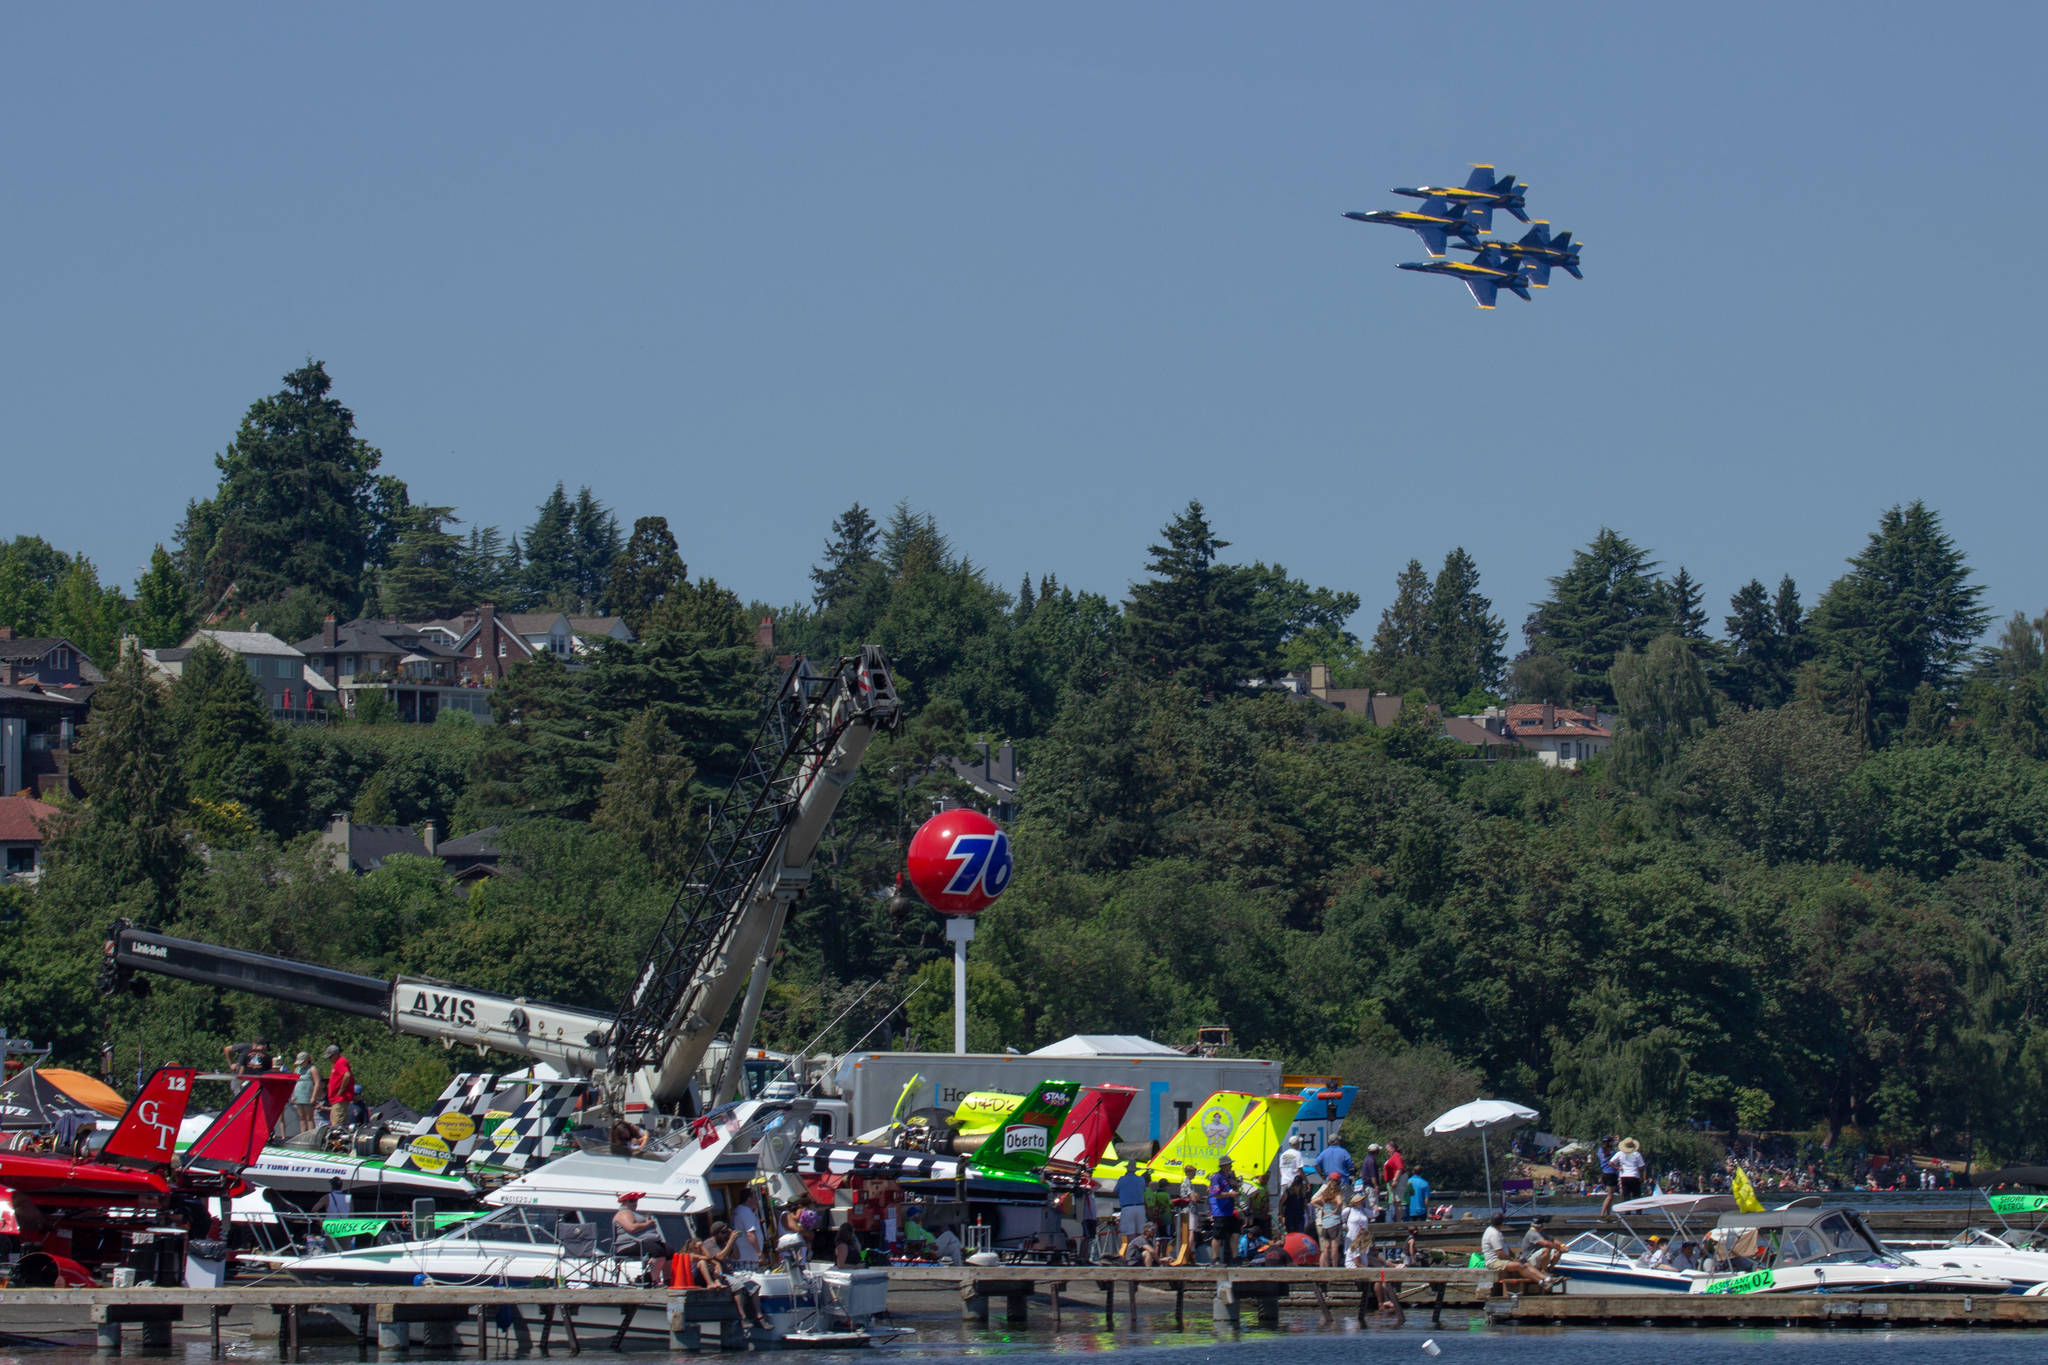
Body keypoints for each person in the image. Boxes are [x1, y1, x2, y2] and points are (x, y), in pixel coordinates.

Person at [1481, 1212, 1552, 1291]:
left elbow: (1506, 1248)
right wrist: (1512, 1260)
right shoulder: (1493, 1233)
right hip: (1494, 1262)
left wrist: (1516, 1257)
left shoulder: (1497, 1232)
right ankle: (1540, 1282)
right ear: (1501, 1223)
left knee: (1525, 1262)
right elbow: (1500, 1253)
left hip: (1501, 1260)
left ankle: (1547, 1278)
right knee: (1519, 1266)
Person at [1208, 1158, 1241, 1265]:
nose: (1231, 1167)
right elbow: (1216, 1194)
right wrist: (1229, 1195)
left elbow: (1235, 1189)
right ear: (1223, 1166)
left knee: (1235, 1233)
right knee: (1218, 1235)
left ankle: (1235, 1258)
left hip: (1230, 1210)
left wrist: (1235, 1184)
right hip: (1220, 1211)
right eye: (1229, 1165)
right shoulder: (1216, 1177)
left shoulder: (1228, 1177)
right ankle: (1215, 1258)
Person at [1312, 1173, 1346, 1266]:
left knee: (1326, 1246)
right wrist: (1336, 1209)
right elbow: (1339, 1202)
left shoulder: (1325, 1193)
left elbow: (1313, 1201)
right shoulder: (1337, 1192)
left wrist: (1322, 1208)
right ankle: (1335, 1266)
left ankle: (1327, 1267)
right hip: (1335, 1221)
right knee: (1334, 1245)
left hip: (1325, 1222)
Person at [1115, 1160, 1149, 1250]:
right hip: (1140, 1207)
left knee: (1130, 1233)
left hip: (1127, 1207)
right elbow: (1143, 1190)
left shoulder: (1122, 1179)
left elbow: (1116, 1191)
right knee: (1140, 1232)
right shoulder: (1141, 1179)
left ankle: (1131, 1252)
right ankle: (1140, 1252)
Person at [613, 1192, 658, 1257]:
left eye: (636, 1200)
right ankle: (654, 1266)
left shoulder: (636, 1214)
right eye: (631, 1201)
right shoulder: (624, 1213)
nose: (635, 1203)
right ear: (624, 1202)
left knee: (668, 1251)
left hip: (646, 1242)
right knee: (657, 1251)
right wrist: (647, 1224)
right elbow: (631, 1228)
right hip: (630, 1245)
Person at [730, 1188, 764, 1268]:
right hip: (748, 1258)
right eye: (755, 1198)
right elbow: (750, 1234)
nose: (757, 1201)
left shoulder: (738, 1211)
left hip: (741, 1258)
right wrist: (759, 1253)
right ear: (749, 1199)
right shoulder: (746, 1212)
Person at [290, 1052, 319, 1133]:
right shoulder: (297, 1069)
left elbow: (317, 1082)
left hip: (308, 1096)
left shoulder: (312, 1069)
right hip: (298, 1095)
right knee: (301, 1117)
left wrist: (314, 1096)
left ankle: (311, 1135)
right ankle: (302, 1134)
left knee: (309, 1117)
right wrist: (292, 1095)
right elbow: (294, 1082)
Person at [325, 1045, 353, 1128]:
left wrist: (341, 1089)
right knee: (335, 1122)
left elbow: (347, 1075)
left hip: (340, 1099)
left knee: (337, 1124)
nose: (329, 1059)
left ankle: (336, 1140)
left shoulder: (341, 1062)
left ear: (336, 1054)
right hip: (336, 1100)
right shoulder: (337, 1063)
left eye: (330, 1057)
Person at [1344, 1191, 1371, 1268]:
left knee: (1363, 1253)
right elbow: (1341, 1218)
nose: (1361, 1202)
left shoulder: (1364, 1210)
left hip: (1362, 1235)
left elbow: (1375, 1214)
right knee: (1352, 1253)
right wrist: (1344, 1226)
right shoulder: (1349, 1210)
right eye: (1359, 1200)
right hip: (1352, 1235)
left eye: (1361, 1200)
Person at [1616, 1137, 1647, 1202]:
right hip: (1634, 1176)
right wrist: (1642, 1177)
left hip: (1624, 1176)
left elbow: (1610, 1163)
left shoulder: (1620, 1153)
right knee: (1636, 1195)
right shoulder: (1636, 1154)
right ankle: (1638, 1211)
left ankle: (1627, 1211)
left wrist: (1618, 1168)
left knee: (1626, 1195)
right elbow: (1642, 1167)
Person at [1280, 1170, 1311, 1235]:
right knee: (1291, 1233)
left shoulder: (1302, 1194)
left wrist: (1308, 1215)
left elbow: (1305, 1204)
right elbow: (1281, 1204)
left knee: (1300, 1233)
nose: (1297, 1186)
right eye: (1296, 1184)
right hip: (1290, 1216)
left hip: (1300, 1217)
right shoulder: (1288, 1192)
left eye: (1298, 1185)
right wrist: (1281, 1215)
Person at [1595, 1137, 1619, 1216]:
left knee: (1610, 1196)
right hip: (1611, 1174)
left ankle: (1608, 1214)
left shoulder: (1600, 1151)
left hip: (1604, 1173)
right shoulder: (1612, 1152)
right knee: (1610, 1196)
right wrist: (1618, 1142)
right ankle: (1602, 1214)